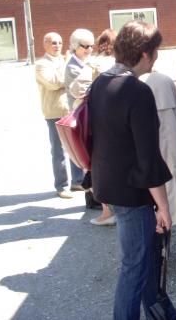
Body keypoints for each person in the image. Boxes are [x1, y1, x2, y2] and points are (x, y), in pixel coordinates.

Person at [89, 21, 176, 320]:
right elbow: (148, 157)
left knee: (145, 257)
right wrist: (163, 205)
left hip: (109, 182)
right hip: (132, 191)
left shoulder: (101, 82)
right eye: (155, 50)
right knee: (136, 262)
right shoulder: (137, 91)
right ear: (145, 53)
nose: (157, 56)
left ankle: (160, 311)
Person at [70, 28, 117, 224]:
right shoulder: (119, 62)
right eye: (86, 46)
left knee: (98, 166)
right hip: (106, 122)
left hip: (98, 124)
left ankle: (107, 211)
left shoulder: (94, 63)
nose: (90, 49)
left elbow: (78, 90)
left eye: (92, 45)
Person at [141, 71, 176, 226]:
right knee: (175, 172)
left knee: (162, 174)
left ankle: (173, 215)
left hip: (156, 131)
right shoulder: (164, 79)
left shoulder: (139, 82)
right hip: (170, 128)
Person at [35, 32, 83, 198]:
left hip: (71, 110)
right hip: (54, 112)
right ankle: (61, 185)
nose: (57, 46)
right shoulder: (41, 64)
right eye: (54, 43)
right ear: (45, 44)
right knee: (58, 150)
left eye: (60, 43)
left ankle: (78, 181)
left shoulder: (66, 61)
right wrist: (68, 70)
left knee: (75, 146)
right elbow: (54, 82)